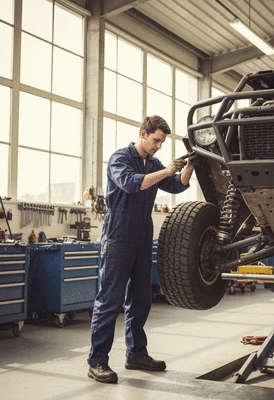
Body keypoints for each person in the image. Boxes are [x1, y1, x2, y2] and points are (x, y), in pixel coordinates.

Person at [87, 115, 196, 383]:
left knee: (141, 299)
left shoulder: (153, 163)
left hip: (143, 235)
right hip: (118, 234)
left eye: (162, 142)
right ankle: (97, 361)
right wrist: (166, 171)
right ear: (144, 133)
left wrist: (190, 166)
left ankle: (136, 354)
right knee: (109, 301)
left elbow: (176, 185)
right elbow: (131, 183)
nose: (159, 145)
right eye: (156, 140)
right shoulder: (120, 158)